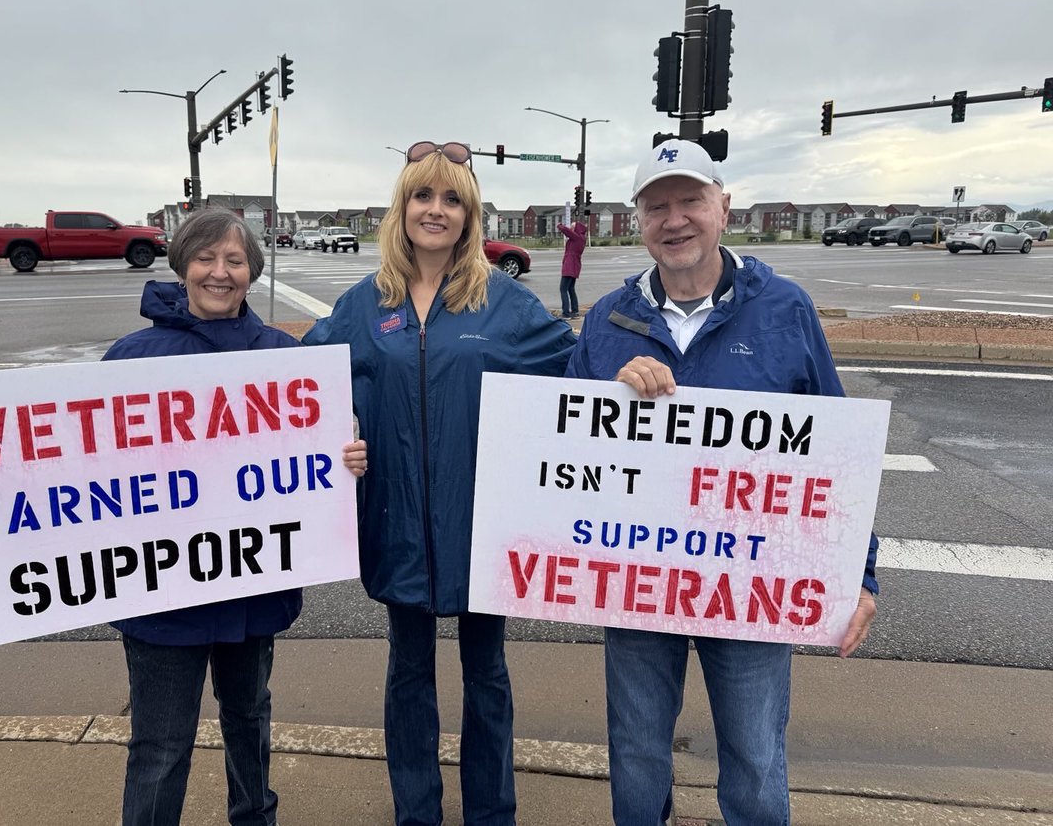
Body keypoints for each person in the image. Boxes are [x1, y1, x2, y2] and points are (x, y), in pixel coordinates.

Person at [0, 207, 367, 826]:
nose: (220, 272)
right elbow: (70, 457)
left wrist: (348, 457)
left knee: (250, 719)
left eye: (235, 260)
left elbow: (317, 455)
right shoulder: (134, 357)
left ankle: (255, 816)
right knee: (161, 743)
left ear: (252, 272)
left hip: (253, 589)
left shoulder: (282, 356)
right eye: (205, 258)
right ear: (181, 266)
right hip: (163, 599)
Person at [564, 139, 879, 826]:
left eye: (690, 201)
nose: (674, 219)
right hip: (640, 578)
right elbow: (563, 450)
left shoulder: (785, 309)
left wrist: (858, 574)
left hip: (751, 580)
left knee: (755, 757)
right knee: (636, 753)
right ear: (639, 221)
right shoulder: (608, 322)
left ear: (724, 207)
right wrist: (612, 395)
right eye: (656, 207)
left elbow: (838, 453)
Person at [303, 140, 576, 826]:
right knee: (408, 675)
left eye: (453, 199)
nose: (437, 209)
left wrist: (634, 365)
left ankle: (491, 812)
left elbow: (579, 367)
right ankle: (416, 812)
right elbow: (299, 390)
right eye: (423, 195)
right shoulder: (364, 305)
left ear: (470, 216)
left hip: (481, 524)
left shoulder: (505, 305)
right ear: (402, 208)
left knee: (487, 674)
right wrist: (340, 445)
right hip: (396, 523)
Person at [556, 218, 587, 318]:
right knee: (570, 288)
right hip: (575, 266)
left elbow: (567, 231)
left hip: (570, 266)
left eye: (572, 227)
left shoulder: (577, 237)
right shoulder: (580, 238)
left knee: (563, 289)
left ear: (577, 229)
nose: (570, 229)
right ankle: (575, 310)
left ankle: (566, 313)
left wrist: (560, 225)